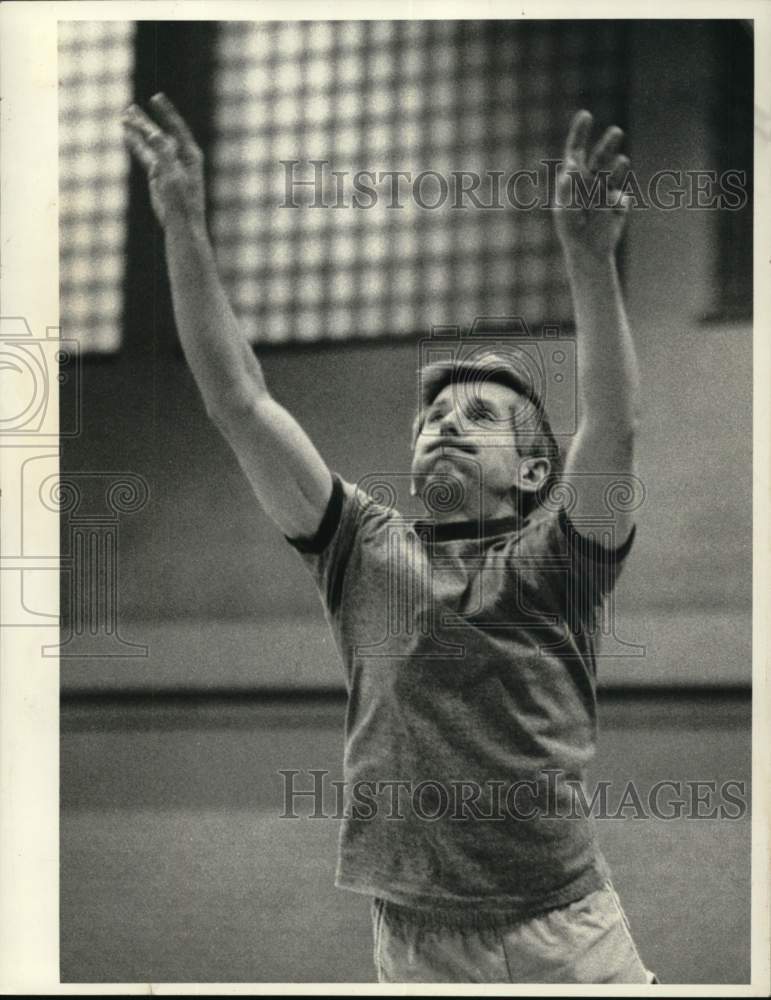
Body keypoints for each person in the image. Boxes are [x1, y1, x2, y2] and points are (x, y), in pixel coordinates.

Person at [123, 94, 657, 984]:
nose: (445, 424)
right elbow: (240, 401)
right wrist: (183, 223)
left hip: (565, 934)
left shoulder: (559, 561)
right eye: (432, 417)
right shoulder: (361, 552)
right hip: (413, 943)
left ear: (531, 472)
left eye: (480, 417)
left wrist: (587, 261)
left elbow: (615, 420)